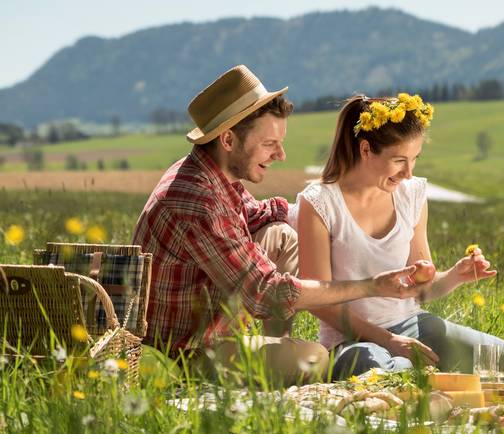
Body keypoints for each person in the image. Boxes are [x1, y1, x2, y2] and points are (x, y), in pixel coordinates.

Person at [132, 66, 426, 386]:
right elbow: (267, 293)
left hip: (205, 321)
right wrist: (371, 285)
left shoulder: (211, 173)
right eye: (270, 143)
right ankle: (253, 371)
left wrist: (331, 211)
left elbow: (259, 214)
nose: (281, 155)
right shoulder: (198, 201)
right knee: (316, 360)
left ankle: (277, 348)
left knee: (282, 235)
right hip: (187, 351)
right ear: (229, 139)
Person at [294, 93, 504, 379]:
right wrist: (388, 340)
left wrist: (456, 275)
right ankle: (424, 378)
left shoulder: (412, 194)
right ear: (365, 150)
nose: (408, 173)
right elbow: (317, 300)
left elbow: (422, 290)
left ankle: (427, 376)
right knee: (373, 370)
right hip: (353, 341)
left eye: (414, 159)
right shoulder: (320, 202)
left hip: (413, 325)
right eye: (399, 161)